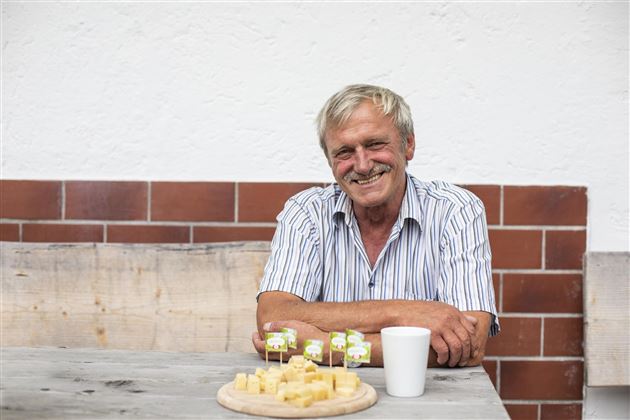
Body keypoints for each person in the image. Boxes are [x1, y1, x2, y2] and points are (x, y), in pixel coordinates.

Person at [252, 84, 499, 367]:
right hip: (328, 401)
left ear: (408, 145)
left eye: (375, 145)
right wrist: (405, 314)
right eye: (344, 152)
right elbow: (271, 323)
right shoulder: (306, 213)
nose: (363, 164)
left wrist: (324, 346)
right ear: (330, 161)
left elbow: (469, 345)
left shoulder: (456, 211)